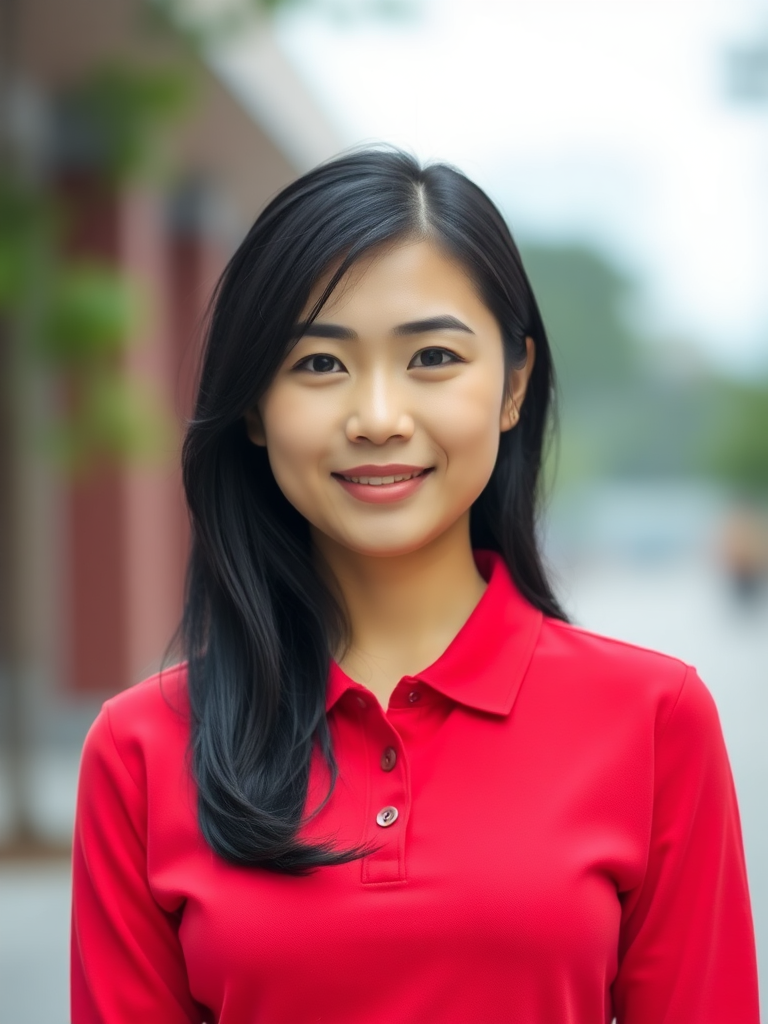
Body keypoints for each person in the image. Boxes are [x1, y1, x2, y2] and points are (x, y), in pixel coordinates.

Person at [71, 149, 759, 1024]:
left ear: (513, 384)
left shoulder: (657, 720)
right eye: (319, 365)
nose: (379, 417)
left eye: (432, 356)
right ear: (253, 407)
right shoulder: (139, 750)